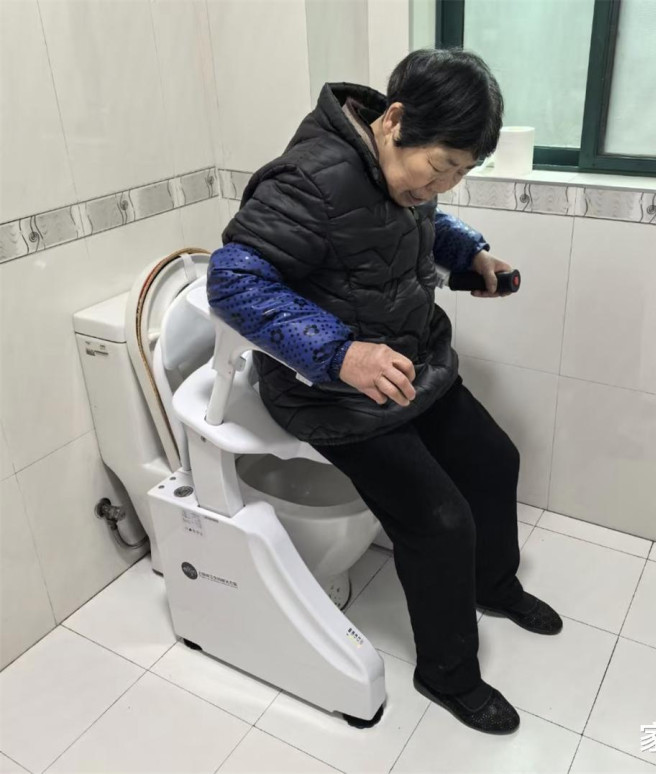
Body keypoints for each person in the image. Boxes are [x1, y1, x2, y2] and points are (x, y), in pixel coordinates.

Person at [207, 48, 562, 735]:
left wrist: (469, 255)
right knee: (440, 521)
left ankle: (492, 586)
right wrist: (339, 354)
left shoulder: (402, 173)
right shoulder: (307, 180)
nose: (443, 186)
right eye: (441, 167)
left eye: (461, 173)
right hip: (327, 392)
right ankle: (448, 674)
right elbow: (232, 281)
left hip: (407, 367)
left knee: (495, 461)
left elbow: (419, 225)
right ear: (394, 120)